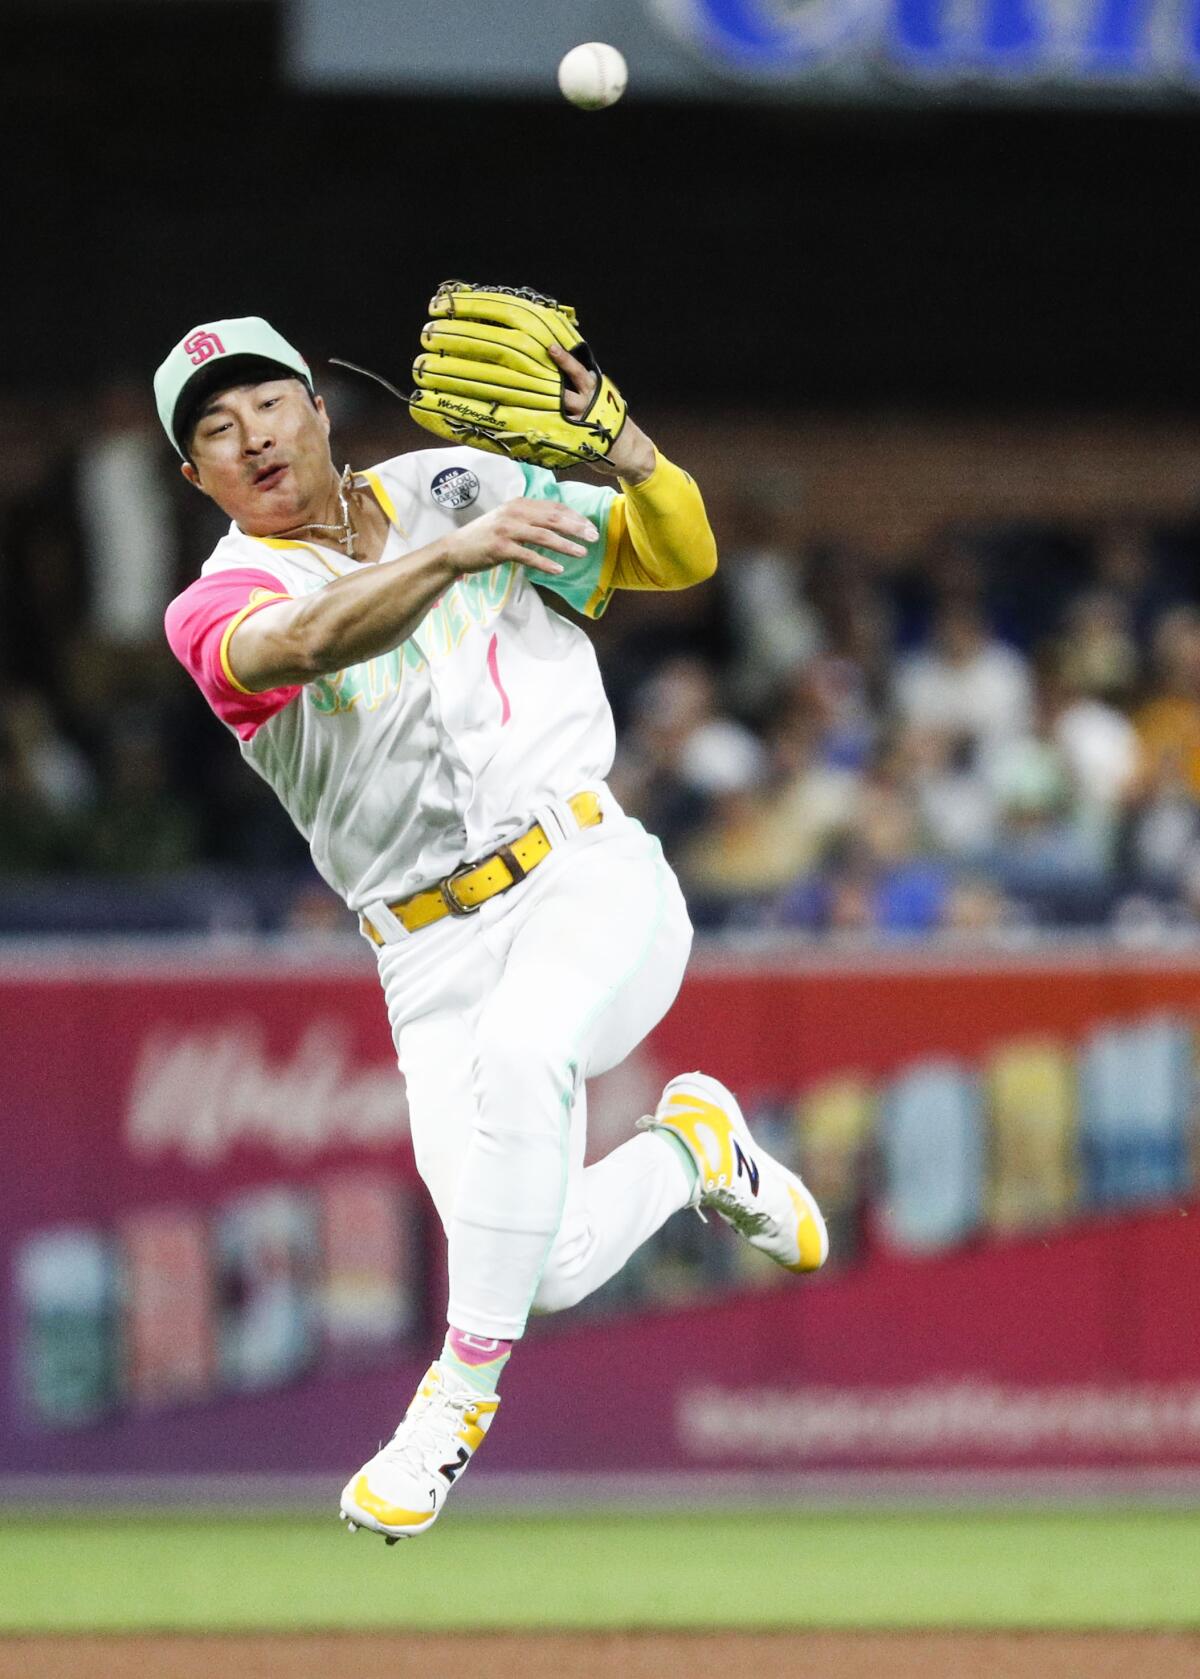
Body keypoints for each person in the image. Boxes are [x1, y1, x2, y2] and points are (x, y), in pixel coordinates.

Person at [155, 312, 828, 1542]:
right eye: (213, 427)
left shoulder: (450, 484)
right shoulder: (220, 599)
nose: (250, 434)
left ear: (316, 406)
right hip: (423, 952)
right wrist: (458, 554)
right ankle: (698, 1152)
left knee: (529, 1055)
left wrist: (620, 444)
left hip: (586, 869)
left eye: (267, 402)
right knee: (545, 1256)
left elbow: (672, 554)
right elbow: (308, 636)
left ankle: (453, 1404)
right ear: (194, 475)